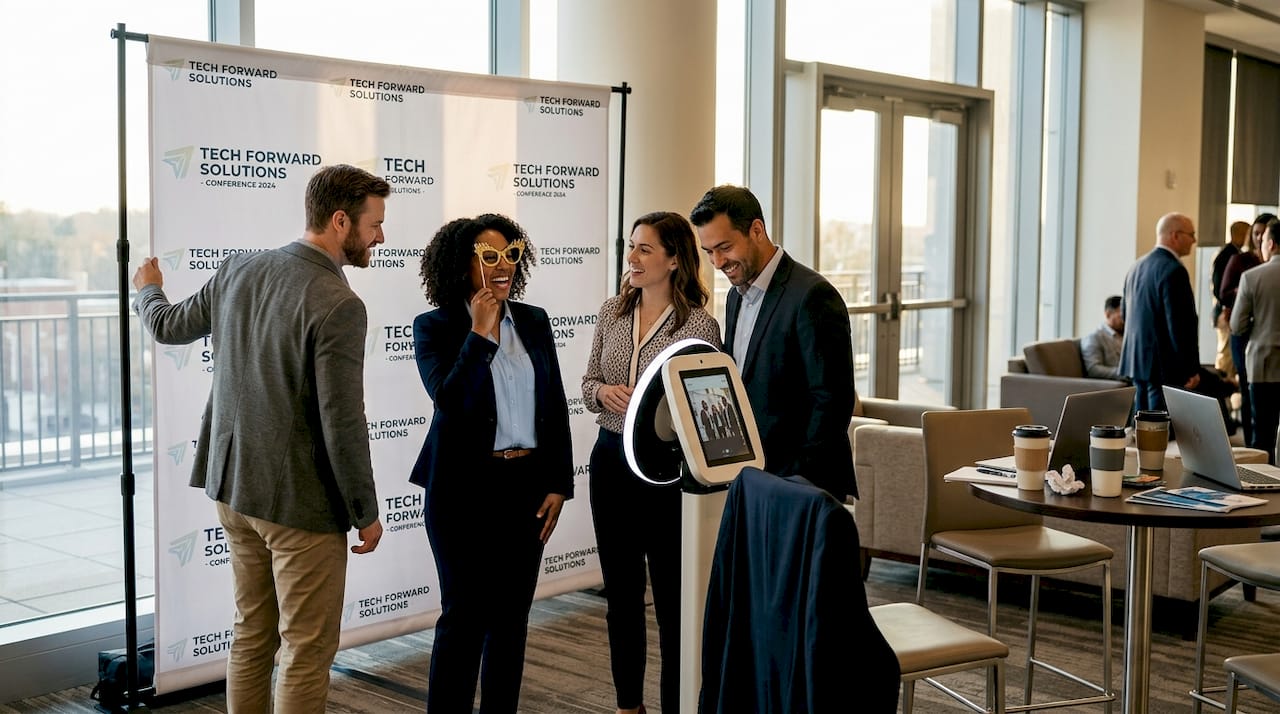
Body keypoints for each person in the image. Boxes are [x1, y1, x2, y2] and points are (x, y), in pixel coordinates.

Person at [132, 164, 388, 713]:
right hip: (299, 507)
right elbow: (342, 422)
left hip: (234, 492)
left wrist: (148, 289)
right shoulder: (340, 303)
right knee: (306, 649)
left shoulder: (237, 270)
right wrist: (364, 510)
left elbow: (167, 326)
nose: (381, 238)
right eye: (374, 225)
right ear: (340, 221)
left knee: (251, 633)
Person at [409, 214, 573, 713]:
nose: (503, 266)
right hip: (462, 492)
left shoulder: (534, 320)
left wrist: (559, 482)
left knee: (510, 622)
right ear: (463, 265)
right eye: (489, 256)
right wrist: (480, 334)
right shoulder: (434, 327)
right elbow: (450, 401)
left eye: (511, 254)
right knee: (463, 620)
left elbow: (555, 404)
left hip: (526, 488)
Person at [581, 211, 722, 714]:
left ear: (674, 259)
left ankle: (674, 706)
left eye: (645, 249)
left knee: (672, 601)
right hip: (610, 463)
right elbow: (587, 384)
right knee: (621, 596)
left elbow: (705, 402)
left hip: (665, 473)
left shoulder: (699, 325)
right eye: (631, 247)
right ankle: (628, 706)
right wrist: (603, 392)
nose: (633, 258)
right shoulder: (611, 312)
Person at [690, 185, 858, 501]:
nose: (717, 262)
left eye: (724, 247)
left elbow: (832, 402)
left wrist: (795, 480)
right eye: (709, 251)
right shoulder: (735, 297)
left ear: (756, 230)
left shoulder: (813, 296)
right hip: (754, 475)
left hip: (803, 485)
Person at [1119, 212, 1202, 413]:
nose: (1194, 240)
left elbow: (1125, 313)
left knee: (1141, 421)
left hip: (1136, 359)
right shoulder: (1173, 270)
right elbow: (1180, 325)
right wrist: (1190, 368)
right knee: (1158, 424)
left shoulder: (1136, 266)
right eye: (1191, 234)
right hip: (1163, 364)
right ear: (1175, 235)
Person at [1222, 213, 1276, 448]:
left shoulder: (1252, 277)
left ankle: (1262, 468)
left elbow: (1237, 325)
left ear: (1270, 244)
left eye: (1263, 239)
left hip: (1262, 359)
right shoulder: (1243, 264)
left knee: (1262, 427)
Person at [1211, 221, 1250, 376]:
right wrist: (1228, 306)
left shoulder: (1232, 253)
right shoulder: (1227, 255)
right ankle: (1223, 386)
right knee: (1226, 356)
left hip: (1226, 311)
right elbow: (1219, 288)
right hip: (1225, 312)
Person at [1081, 295, 1126, 381]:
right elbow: (1093, 370)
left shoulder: (1125, 335)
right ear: (1108, 314)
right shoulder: (1094, 337)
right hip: (1115, 382)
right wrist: (1127, 374)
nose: (1125, 320)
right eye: (1122, 316)